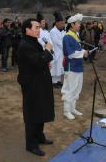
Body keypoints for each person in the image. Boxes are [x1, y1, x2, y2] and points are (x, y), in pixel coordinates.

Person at [17, 18, 54, 156]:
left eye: (39, 27)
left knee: (41, 110)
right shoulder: (25, 45)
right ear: (27, 29)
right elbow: (38, 61)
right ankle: (31, 144)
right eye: (36, 27)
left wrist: (46, 61)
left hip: (39, 82)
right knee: (32, 114)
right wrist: (48, 51)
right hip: (31, 84)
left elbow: (37, 61)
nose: (39, 30)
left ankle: (39, 137)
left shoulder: (33, 42)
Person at [62, 13, 89, 120]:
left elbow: (77, 50)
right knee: (70, 88)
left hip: (78, 66)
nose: (79, 25)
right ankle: (66, 110)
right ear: (72, 24)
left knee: (77, 87)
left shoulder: (75, 36)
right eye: (78, 24)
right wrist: (83, 53)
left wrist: (83, 51)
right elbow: (70, 53)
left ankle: (72, 108)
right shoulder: (67, 37)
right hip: (71, 66)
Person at [50, 11, 65, 88]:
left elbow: (64, 40)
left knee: (60, 68)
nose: (63, 25)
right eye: (61, 23)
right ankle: (54, 82)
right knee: (55, 68)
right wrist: (65, 46)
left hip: (61, 52)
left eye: (63, 23)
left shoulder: (63, 31)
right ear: (57, 23)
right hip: (56, 52)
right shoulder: (53, 31)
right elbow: (57, 42)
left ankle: (58, 81)